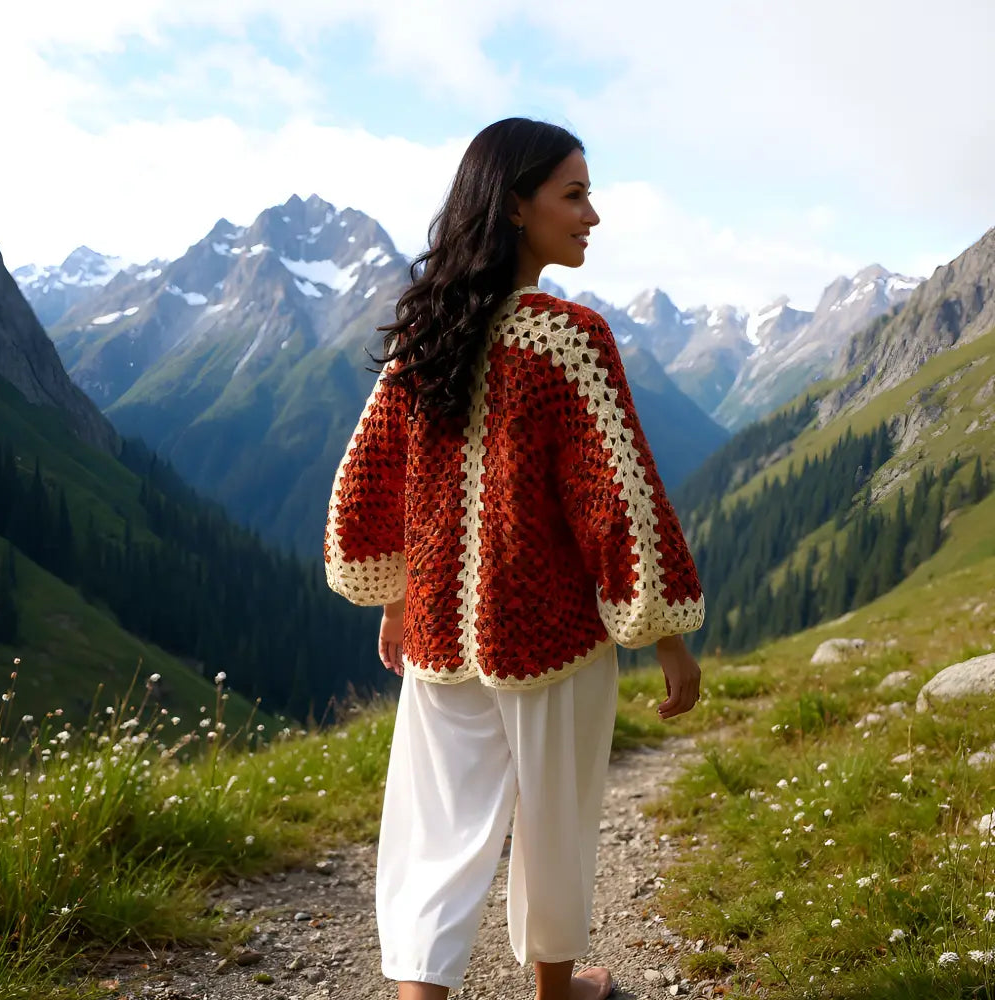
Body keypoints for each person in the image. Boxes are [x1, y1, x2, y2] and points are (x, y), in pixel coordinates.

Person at [324, 117, 705, 1000]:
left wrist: (397, 596)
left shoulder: (423, 335)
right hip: (550, 637)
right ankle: (555, 991)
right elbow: (620, 501)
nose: (593, 216)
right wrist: (665, 633)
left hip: (439, 638)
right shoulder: (568, 341)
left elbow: (373, 482)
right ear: (515, 206)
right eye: (574, 194)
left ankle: (421, 993)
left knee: (436, 830)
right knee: (554, 824)